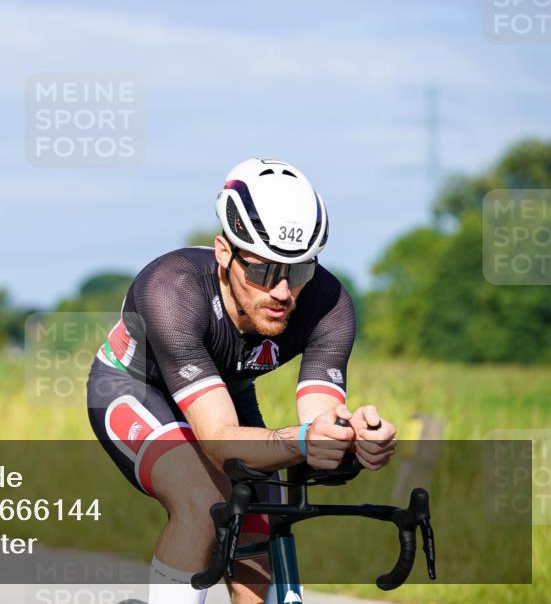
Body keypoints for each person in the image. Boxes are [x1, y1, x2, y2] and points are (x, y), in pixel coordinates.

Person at [87, 158, 398, 604]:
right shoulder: (171, 288)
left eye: (299, 270)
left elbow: (320, 421)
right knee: (203, 497)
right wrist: (304, 440)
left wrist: (354, 438)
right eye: (263, 271)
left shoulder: (329, 304)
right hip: (136, 389)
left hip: (227, 394)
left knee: (261, 514)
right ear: (223, 252)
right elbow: (219, 440)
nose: (282, 292)